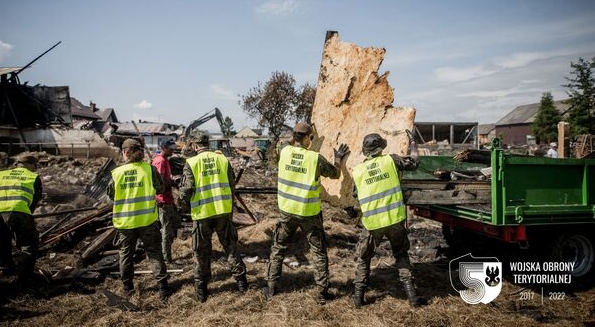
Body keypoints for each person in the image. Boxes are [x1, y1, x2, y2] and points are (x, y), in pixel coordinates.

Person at [265, 122, 350, 304]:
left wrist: (299, 133)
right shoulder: (314, 159)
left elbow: (284, 142)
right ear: (305, 138)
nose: (312, 140)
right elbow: (335, 174)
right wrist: (338, 158)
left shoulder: (284, 151)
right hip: (309, 213)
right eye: (310, 137)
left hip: (287, 211)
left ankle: (271, 287)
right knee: (318, 251)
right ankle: (322, 292)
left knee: (278, 249)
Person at [350, 131, 422, 308]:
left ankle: (358, 300)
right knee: (401, 255)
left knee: (364, 258)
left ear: (365, 151)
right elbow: (414, 162)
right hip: (394, 220)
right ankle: (412, 298)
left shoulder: (358, 171)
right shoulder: (391, 160)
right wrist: (413, 142)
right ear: (381, 148)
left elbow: (355, 194)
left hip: (372, 224)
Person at [178, 131, 247, 303]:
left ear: (195, 145)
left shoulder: (191, 163)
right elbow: (232, 184)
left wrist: (181, 205)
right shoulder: (222, 159)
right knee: (230, 247)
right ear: (208, 143)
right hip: (223, 211)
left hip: (203, 214)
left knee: (201, 251)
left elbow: (186, 190)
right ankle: (242, 283)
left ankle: (201, 289)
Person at [107, 138, 170, 299]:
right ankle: (163, 288)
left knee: (126, 255)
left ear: (125, 152)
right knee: (155, 253)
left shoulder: (117, 173)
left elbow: (111, 196)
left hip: (125, 223)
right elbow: (161, 188)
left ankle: (128, 288)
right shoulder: (149, 169)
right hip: (147, 221)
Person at [0, 152, 42, 283]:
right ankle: (24, 277)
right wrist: (27, 214)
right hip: (18, 210)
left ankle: (4, 268)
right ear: (29, 165)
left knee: (1, 241)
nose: (36, 168)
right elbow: (34, 200)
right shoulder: (33, 177)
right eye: (35, 165)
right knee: (29, 244)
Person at [152, 139, 181, 265]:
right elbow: (158, 183)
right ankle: (166, 259)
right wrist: (174, 183)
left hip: (168, 199)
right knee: (166, 230)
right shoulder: (160, 161)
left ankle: (166, 254)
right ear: (164, 147)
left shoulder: (165, 160)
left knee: (174, 225)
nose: (173, 150)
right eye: (171, 148)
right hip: (162, 200)